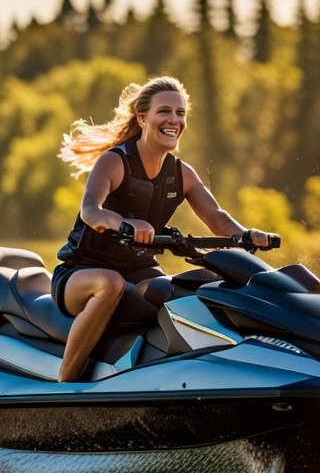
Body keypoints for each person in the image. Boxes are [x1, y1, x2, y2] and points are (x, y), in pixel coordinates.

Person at [52, 76, 271, 382]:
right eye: (164, 111)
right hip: (81, 273)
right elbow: (91, 211)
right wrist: (125, 224)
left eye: (181, 113)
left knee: (190, 291)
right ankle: (66, 383)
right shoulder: (115, 162)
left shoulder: (181, 173)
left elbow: (217, 217)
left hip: (139, 270)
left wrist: (247, 235)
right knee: (110, 284)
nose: (174, 120)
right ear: (142, 118)